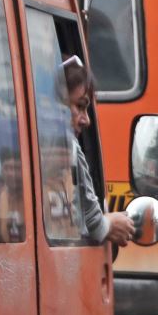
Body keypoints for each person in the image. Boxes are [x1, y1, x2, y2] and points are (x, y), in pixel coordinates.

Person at [60, 56, 133, 246]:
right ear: (58, 103)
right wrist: (111, 223)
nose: (86, 120)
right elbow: (93, 222)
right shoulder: (68, 147)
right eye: (80, 106)